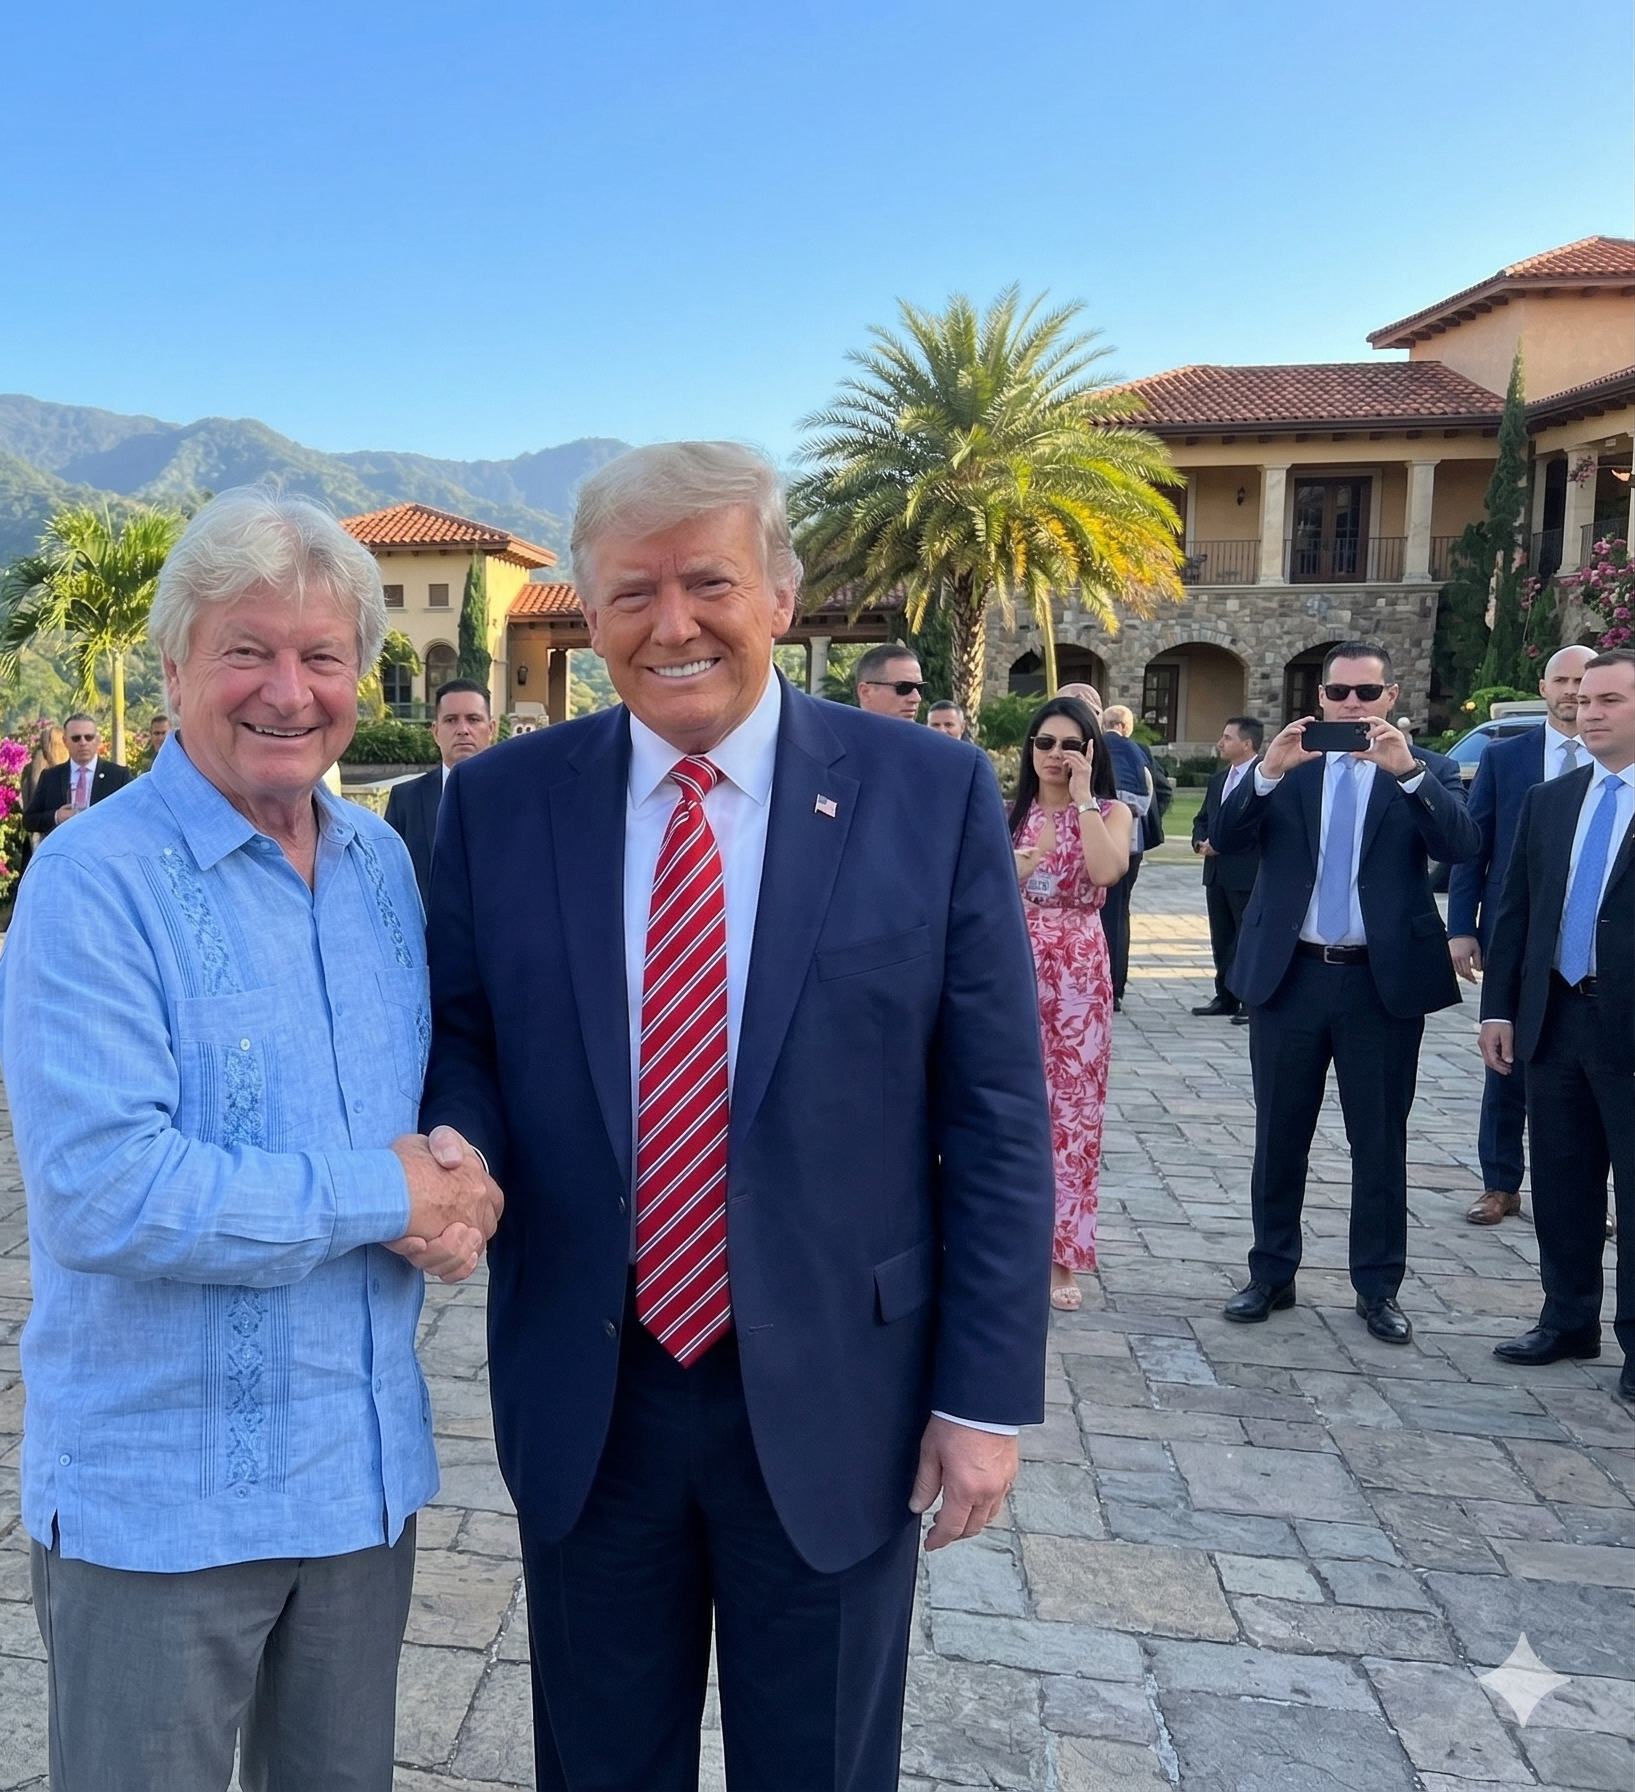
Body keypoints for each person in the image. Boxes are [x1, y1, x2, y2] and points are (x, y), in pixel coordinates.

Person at [421, 442, 1053, 1790]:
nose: (673, 623)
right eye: (631, 593)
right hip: (594, 1392)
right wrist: (460, 1138)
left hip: (844, 1399)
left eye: (707, 579)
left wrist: (985, 1397)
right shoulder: (498, 804)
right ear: (587, 621)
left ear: (780, 588)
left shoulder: (925, 795)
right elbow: (466, 1029)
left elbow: (997, 1112)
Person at [0, 487, 503, 1792]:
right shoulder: (93, 881)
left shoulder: (384, 866)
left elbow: (420, 1091)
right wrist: (386, 1198)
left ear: (362, 677)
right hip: (161, 1505)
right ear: (175, 667)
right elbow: (107, 1188)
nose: (289, 691)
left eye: (322, 656)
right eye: (247, 651)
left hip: (358, 1478)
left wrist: (457, 1181)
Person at [1212, 641, 1479, 1345]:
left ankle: (1378, 1287)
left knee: (1380, 1142)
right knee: (1279, 1137)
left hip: (1379, 984)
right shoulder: (1288, 772)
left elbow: (1461, 846)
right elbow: (1227, 840)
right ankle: (1271, 1274)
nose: (1352, 706)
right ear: (1319, 698)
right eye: (1339, 694)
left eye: (1367, 694)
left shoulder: (1431, 770)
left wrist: (1410, 773)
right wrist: (1265, 773)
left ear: (1392, 697)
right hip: (1289, 976)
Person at [1478, 648, 1635, 1398]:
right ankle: (1568, 1320)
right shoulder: (1552, 799)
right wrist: (1500, 1008)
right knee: (1564, 1181)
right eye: (1585, 699)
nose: (1591, 710)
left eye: (1612, 700)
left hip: (1629, 1026)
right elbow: (1516, 915)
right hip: (1554, 1019)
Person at [1451, 644, 1595, 1225]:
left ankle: (1583, 1192)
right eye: (1561, 680)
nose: (1570, 692)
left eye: (1581, 682)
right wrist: (1462, 927)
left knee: (1586, 1071)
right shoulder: (1505, 757)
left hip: (1588, 938)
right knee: (1505, 1057)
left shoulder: (1614, 758)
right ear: (1543, 686)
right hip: (1514, 934)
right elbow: (1472, 847)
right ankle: (1501, 1182)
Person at [1009, 697, 1132, 1312]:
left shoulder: (1112, 810)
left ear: (1090, 751)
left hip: (1078, 969)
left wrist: (1084, 800)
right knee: (1005, 1104)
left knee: (1074, 1116)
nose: (1055, 755)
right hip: (1008, 963)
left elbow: (1106, 872)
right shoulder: (1009, 813)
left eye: (1070, 745)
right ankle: (1004, 1243)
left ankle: (1064, 1256)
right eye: (1045, 743)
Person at [385, 677, 494, 904]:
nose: (463, 730)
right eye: (451, 720)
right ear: (435, 732)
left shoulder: (518, 798)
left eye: (473, 719)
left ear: (491, 729)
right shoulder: (405, 800)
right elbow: (389, 882)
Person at [1192, 716, 1265, 1021]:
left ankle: (1251, 1000)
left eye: (1227, 738)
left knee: (1245, 939)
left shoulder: (1265, 778)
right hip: (1217, 872)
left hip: (1246, 873)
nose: (1220, 743)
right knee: (1221, 938)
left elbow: (1260, 826)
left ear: (1247, 744)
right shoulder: (1220, 779)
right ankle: (1225, 996)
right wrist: (1200, 841)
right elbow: (1203, 818)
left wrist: (1224, 844)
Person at [1097, 705, 1158, 1011]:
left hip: (1096, 838)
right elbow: (1152, 791)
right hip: (1131, 842)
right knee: (1119, 914)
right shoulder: (1139, 753)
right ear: (1126, 727)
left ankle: (1100, 981)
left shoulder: (1094, 747)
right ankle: (1116, 987)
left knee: (1100, 912)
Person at [21, 712, 133, 841]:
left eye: (88, 737)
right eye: (76, 738)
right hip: (63, 852)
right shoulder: (50, 777)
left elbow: (132, 817)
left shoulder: (118, 776)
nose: (83, 743)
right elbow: (29, 820)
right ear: (65, 741)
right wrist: (57, 816)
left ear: (98, 740)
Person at [853, 641, 927, 721]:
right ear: (865, 692)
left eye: (919, 688)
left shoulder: (929, 733)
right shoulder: (840, 732)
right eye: (904, 687)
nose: (916, 698)